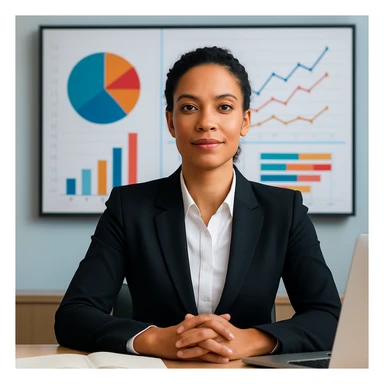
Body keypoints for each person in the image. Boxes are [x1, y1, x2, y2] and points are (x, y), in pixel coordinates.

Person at [54, 46, 341, 364]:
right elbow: (73, 316)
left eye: (224, 107)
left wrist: (251, 340)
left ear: (245, 121)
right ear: (171, 122)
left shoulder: (283, 210)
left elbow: (328, 317)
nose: (206, 122)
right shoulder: (129, 208)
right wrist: (157, 339)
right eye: (189, 107)